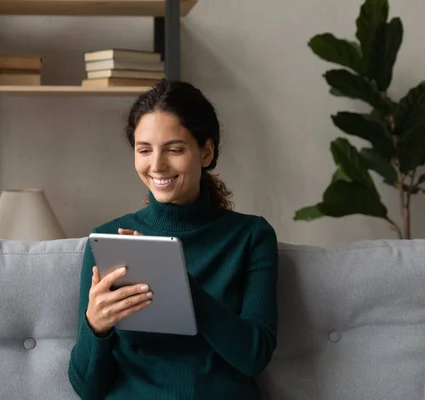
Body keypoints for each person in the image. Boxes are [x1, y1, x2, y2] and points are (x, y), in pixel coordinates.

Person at [68, 79, 278, 399]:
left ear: (206, 152)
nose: (157, 165)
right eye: (144, 150)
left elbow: (254, 357)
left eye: (174, 149)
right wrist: (96, 326)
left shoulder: (250, 237)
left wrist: (180, 287)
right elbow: (87, 388)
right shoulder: (107, 240)